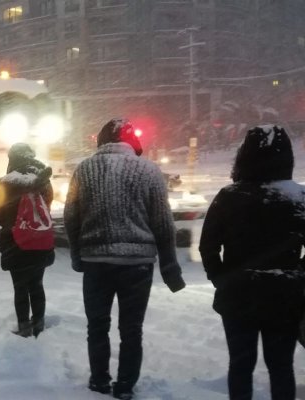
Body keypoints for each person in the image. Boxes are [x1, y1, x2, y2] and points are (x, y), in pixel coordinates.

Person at [64, 118, 186, 400]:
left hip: (96, 262)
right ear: (133, 143)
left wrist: (77, 256)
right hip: (137, 265)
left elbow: (71, 217)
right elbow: (163, 222)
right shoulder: (148, 171)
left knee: (97, 326)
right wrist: (169, 267)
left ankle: (99, 381)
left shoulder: (84, 170)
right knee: (131, 330)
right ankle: (126, 386)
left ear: (102, 141)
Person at [199, 125, 305, 400]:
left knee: (241, 364)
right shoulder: (298, 198)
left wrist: (222, 278)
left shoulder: (230, 197)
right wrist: (297, 275)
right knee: (281, 366)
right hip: (285, 295)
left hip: (238, 295)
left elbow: (208, 246)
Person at [0, 143, 55, 338]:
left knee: (20, 287)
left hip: (15, 243)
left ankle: (24, 326)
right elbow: (47, 207)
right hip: (39, 241)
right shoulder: (43, 179)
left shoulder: (6, 182)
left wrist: (15, 223)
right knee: (37, 284)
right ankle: (39, 324)